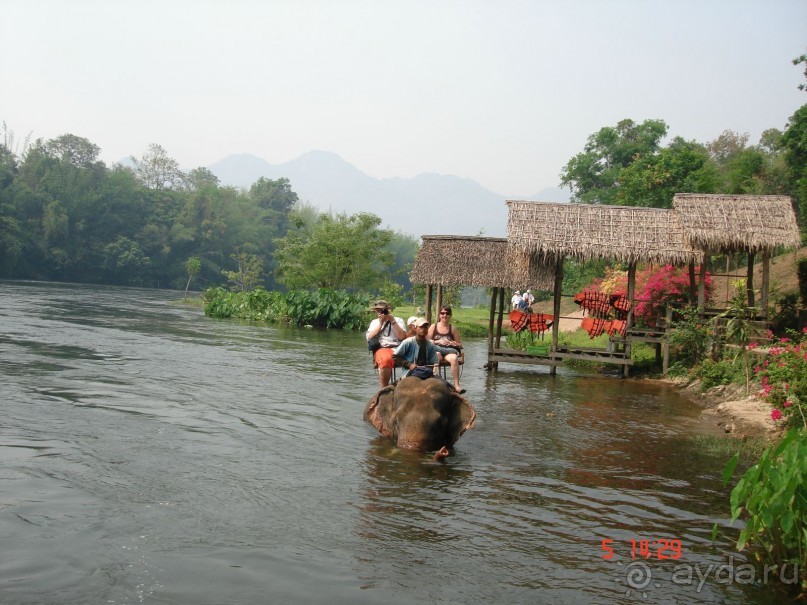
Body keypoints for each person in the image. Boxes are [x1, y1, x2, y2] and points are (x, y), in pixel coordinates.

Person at [366, 300, 407, 387]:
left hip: (399, 347)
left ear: (387, 310)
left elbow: (402, 337)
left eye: (382, 310)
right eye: (378, 310)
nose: (379, 312)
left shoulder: (398, 320)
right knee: (385, 359)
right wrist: (381, 323)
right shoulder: (374, 322)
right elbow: (370, 337)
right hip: (383, 348)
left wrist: (392, 320)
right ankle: (384, 388)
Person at [427, 305, 465, 394]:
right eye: (442, 313)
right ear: (439, 315)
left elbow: (460, 344)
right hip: (436, 350)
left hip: (448, 351)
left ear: (450, 315)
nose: (445, 315)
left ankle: (456, 385)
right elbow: (427, 340)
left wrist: (454, 343)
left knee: (454, 358)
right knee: (437, 355)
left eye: (447, 313)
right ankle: (434, 382)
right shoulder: (433, 326)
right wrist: (438, 341)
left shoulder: (453, 328)